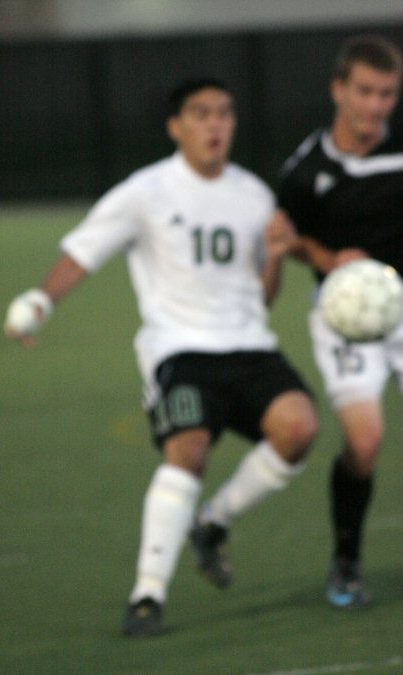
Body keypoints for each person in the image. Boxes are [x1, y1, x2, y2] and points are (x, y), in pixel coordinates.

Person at [4, 78, 318, 636]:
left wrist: (273, 258)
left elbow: (263, 296)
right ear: (176, 126)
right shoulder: (146, 192)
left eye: (224, 113)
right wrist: (39, 301)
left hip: (249, 345)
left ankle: (212, 524)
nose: (215, 125)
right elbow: (82, 252)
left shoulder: (253, 195)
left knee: (300, 429)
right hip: (181, 350)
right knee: (189, 449)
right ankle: (147, 595)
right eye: (201, 114)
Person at [277, 35, 403, 609]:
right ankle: (346, 560)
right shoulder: (307, 170)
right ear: (338, 90)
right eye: (366, 92)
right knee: (366, 442)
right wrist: (327, 260)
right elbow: (288, 236)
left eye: (388, 94)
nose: (377, 106)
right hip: (345, 316)